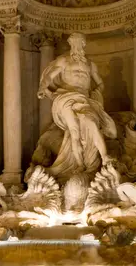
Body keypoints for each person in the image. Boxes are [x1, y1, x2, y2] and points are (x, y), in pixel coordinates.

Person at [37, 33, 117, 181]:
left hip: (84, 98)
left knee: (91, 122)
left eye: (79, 42)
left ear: (84, 44)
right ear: (70, 44)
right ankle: (80, 165)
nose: (77, 45)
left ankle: (105, 157)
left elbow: (100, 83)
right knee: (74, 131)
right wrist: (43, 87)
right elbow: (50, 76)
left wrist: (97, 92)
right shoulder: (64, 60)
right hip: (66, 97)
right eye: (74, 42)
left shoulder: (90, 64)